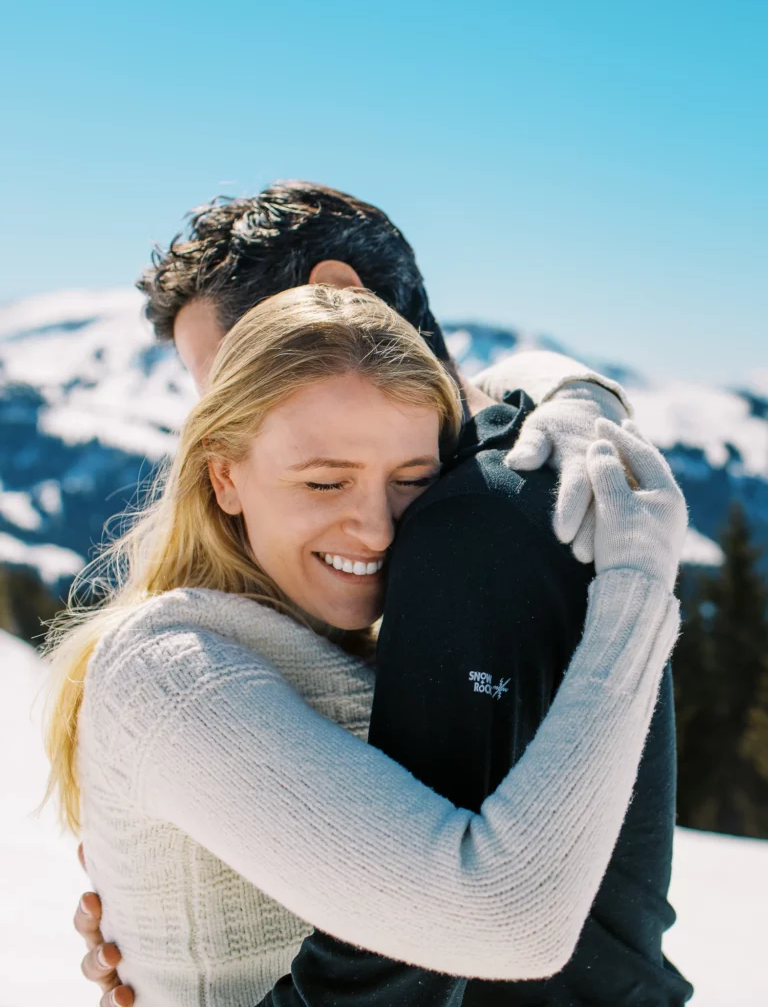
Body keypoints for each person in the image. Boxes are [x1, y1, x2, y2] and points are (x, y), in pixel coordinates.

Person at [71, 182, 692, 1005]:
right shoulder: (197, 651)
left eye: (228, 368)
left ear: (338, 302)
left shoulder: (471, 534)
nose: (211, 413)